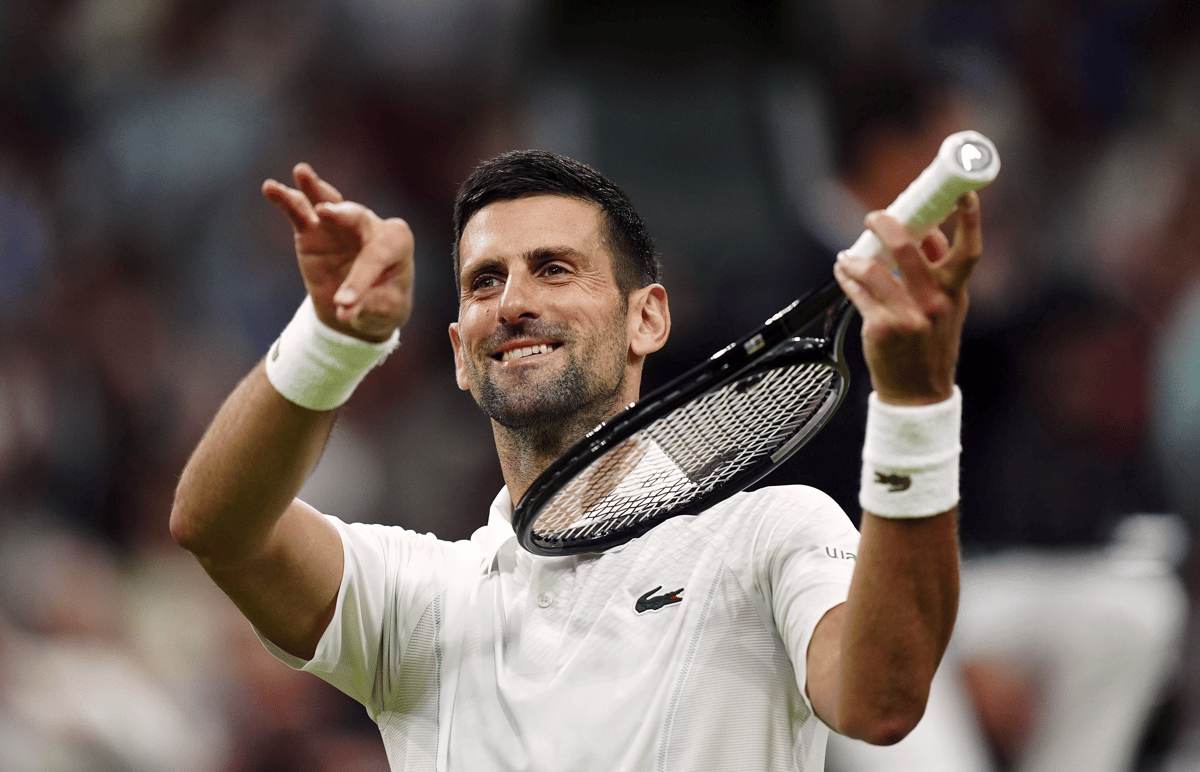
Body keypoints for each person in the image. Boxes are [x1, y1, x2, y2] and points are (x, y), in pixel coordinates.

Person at [170, 149, 982, 770]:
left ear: (647, 319)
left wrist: (916, 408)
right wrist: (334, 342)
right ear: (458, 352)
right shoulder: (422, 599)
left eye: (554, 269)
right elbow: (219, 526)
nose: (515, 301)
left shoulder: (772, 532)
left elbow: (881, 700)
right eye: (485, 282)